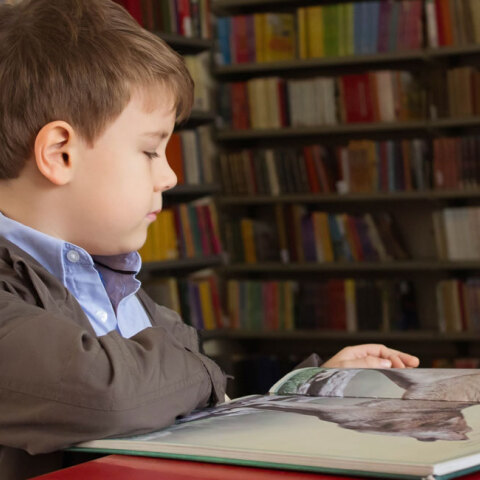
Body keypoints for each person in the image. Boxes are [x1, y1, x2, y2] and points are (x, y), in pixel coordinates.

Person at [0, 0, 419, 478]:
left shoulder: (112, 279)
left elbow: (183, 407)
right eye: (150, 150)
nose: (170, 175)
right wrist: (201, 370)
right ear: (60, 154)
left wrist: (304, 387)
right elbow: (108, 395)